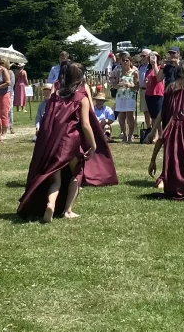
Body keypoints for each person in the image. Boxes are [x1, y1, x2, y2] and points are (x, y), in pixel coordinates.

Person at [18, 62, 118, 222]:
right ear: (80, 77)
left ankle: (51, 203)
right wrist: (93, 145)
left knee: (55, 179)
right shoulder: (81, 99)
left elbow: (48, 120)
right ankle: (68, 210)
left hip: (54, 142)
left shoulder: (55, 96)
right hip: (72, 142)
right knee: (76, 175)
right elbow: (86, 125)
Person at [114, 52, 139, 142]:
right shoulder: (119, 72)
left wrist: (130, 85)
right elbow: (115, 85)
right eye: (123, 60)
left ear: (130, 62)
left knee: (130, 116)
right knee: (121, 116)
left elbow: (137, 86)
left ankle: (130, 135)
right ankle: (124, 134)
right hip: (120, 96)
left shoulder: (134, 72)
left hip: (130, 96)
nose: (125, 62)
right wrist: (118, 85)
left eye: (127, 60)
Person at [144, 52, 165, 141]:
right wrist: (146, 81)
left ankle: (160, 135)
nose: (152, 58)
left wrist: (155, 64)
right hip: (149, 94)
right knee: (153, 116)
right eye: (151, 57)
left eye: (154, 56)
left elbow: (158, 77)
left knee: (158, 116)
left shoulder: (160, 68)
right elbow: (146, 81)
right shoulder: (148, 70)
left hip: (158, 94)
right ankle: (155, 134)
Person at [137, 49, 152, 139]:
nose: (142, 58)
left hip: (150, 90)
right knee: (145, 111)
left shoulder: (151, 67)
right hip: (142, 90)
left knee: (151, 111)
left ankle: (153, 129)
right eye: (141, 56)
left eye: (144, 56)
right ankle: (149, 128)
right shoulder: (140, 67)